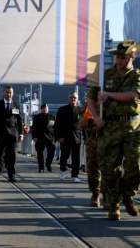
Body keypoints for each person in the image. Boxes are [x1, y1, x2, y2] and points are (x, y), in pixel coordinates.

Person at [87, 40, 140, 221]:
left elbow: (133, 95)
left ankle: (128, 193)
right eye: (117, 56)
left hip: (132, 127)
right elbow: (90, 98)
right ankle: (115, 204)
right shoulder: (105, 76)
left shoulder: (137, 76)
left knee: (136, 165)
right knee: (109, 168)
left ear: (133, 56)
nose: (119, 59)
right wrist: (96, 117)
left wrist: (109, 95)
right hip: (109, 127)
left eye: (123, 56)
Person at [0, 86, 23, 182]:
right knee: (0, 154)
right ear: (3, 93)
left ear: (12, 94)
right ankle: (0, 168)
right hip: (0, 134)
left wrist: (21, 134)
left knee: (12, 155)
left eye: (10, 92)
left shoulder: (16, 105)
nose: (8, 94)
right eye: (7, 92)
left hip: (12, 135)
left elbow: (19, 120)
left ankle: (11, 174)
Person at [54, 92, 83, 183]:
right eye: (71, 97)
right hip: (65, 137)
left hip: (77, 137)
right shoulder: (62, 110)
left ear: (77, 99)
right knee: (64, 156)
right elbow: (57, 125)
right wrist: (58, 137)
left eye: (75, 98)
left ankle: (75, 175)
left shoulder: (80, 110)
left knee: (76, 158)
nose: (73, 99)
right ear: (68, 99)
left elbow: (84, 124)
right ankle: (63, 171)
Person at [31, 104, 55, 173]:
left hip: (50, 137)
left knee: (51, 151)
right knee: (40, 154)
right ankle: (41, 167)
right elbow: (34, 128)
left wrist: (56, 136)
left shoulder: (52, 116)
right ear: (41, 109)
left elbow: (55, 127)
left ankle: (48, 163)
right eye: (44, 108)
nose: (45, 109)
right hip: (40, 137)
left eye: (46, 108)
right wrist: (34, 137)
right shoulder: (37, 117)